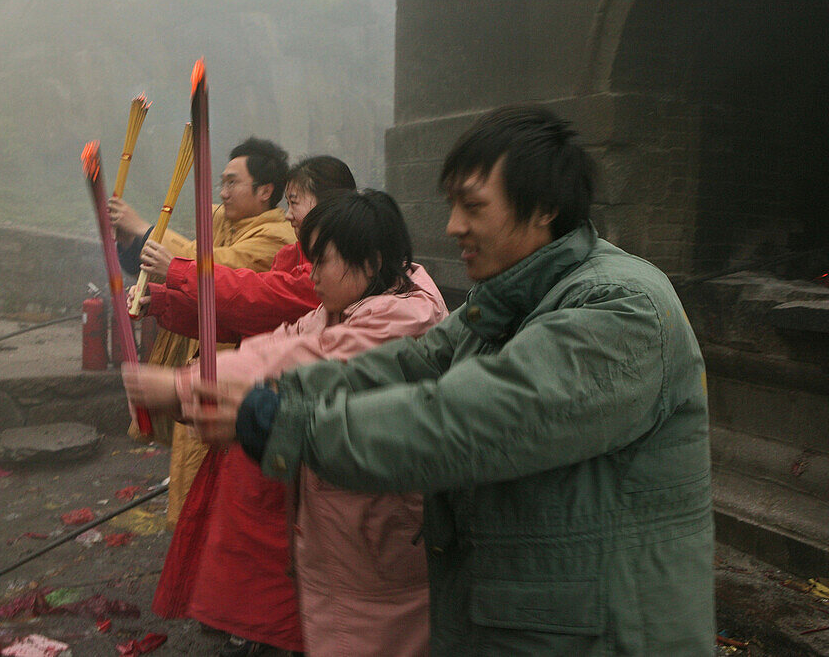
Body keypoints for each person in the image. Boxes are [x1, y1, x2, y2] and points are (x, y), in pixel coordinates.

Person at [134, 106, 715, 655]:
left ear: (542, 209)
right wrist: (236, 393)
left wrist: (273, 419)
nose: (452, 225)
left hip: (608, 631)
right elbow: (409, 366)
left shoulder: (619, 310)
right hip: (525, 612)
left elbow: (463, 422)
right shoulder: (509, 296)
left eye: (473, 206)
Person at [125, 190, 447, 657]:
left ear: (372, 262)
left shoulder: (406, 315)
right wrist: (196, 380)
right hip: (336, 515)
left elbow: (304, 358)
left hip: (384, 523)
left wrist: (183, 386)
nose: (311, 276)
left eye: (322, 262)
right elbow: (276, 343)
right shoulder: (341, 304)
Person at [108, 136, 294, 528]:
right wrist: (132, 246)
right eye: (221, 182)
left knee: (217, 491)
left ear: (265, 191)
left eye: (233, 183)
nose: (223, 192)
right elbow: (184, 268)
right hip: (200, 363)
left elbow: (215, 271)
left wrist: (143, 228)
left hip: (236, 378)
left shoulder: (278, 237)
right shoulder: (221, 220)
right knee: (189, 479)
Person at [129, 155, 356, 344]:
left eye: (294, 203)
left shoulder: (331, 263)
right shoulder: (290, 255)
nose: (224, 194)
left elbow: (254, 295)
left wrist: (176, 268)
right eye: (223, 184)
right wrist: (160, 301)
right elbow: (237, 320)